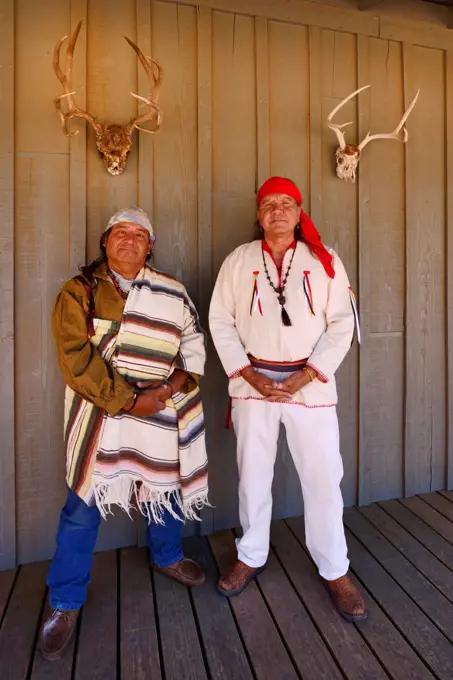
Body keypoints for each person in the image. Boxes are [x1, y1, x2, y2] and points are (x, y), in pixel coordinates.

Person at [40, 207, 209, 660]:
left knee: (162, 489)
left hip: (159, 408)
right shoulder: (79, 293)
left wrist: (170, 388)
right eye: (121, 233)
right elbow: (77, 360)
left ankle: (167, 555)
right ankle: (64, 601)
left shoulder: (172, 293)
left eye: (140, 234)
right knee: (81, 505)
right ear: (105, 241)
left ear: (150, 245)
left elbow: (193, 346)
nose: (130, 240)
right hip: (100, 415)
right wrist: (132, 400)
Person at [209, 177, 367, 622]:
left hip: (310, 383)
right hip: (252, 383)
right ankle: (251, 554)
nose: (277, 211)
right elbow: (220, 319)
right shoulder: (239, 261)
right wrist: (246, 374)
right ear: (258, 215)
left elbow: (342, 324)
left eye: (286, 204)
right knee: (253, 475)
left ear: (299, 214)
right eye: (269, 205)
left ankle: (335, 568)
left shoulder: (326, 261)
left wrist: (306, 375)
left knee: (322, 478)